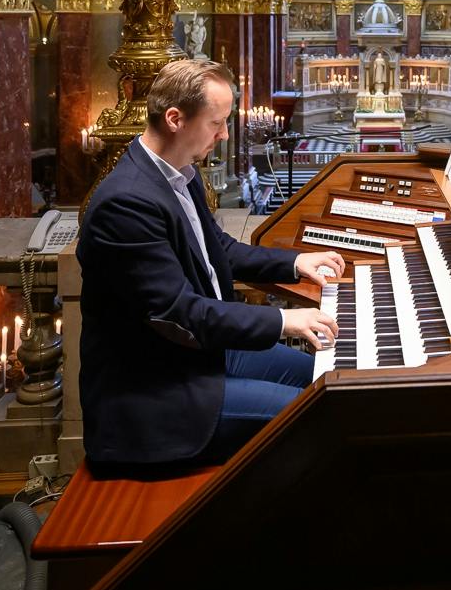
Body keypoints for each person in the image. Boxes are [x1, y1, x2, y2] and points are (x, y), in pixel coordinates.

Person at [77, 58, 344, 470]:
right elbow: (180, 313)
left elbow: (218, 248)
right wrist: (284, 323)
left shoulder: (177, 173)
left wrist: (295, 262)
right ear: (175, 119)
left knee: (324, 378)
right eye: (216, 123)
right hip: (155, 391)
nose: (223, 135)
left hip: (199, 356)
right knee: (317, 416)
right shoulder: (126, 203)